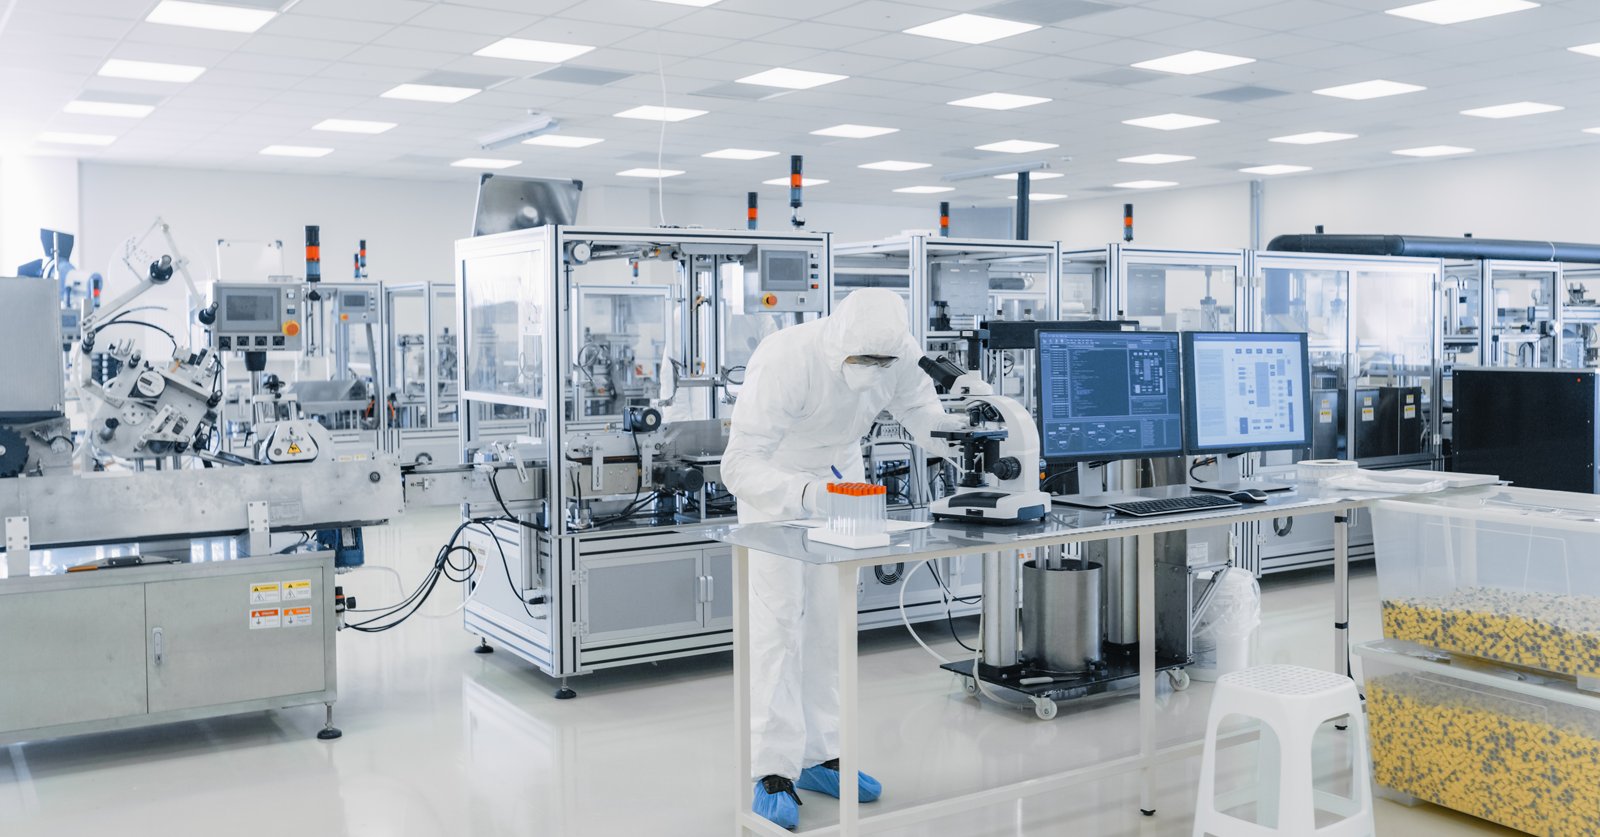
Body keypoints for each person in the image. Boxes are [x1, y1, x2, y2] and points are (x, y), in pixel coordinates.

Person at [722, 288, 964, 830]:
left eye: (883, 361)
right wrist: (808, 495)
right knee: (779, 626)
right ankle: (772, 769)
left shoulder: (901, 354)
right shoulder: (787, 358)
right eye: (864, 360)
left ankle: (822, 754)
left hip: (843, 477)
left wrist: (958, 436)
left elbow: (921, 412)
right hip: (777, 485)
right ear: (838, 344)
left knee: (831, 625)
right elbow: (738, 464)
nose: (874, 369)